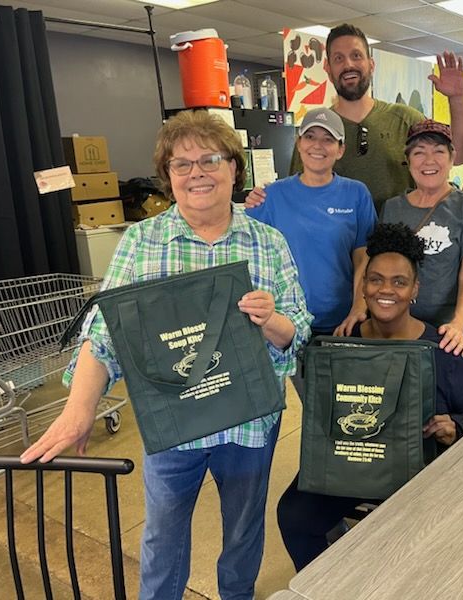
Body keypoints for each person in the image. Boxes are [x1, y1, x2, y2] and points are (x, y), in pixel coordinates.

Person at [20, 110, 312, 600]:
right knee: (162, 538)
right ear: (168, 175)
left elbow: (298, 331)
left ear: (233, 168)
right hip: (173, 425)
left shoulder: (268, 242)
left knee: (243, 531)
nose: (197, 173)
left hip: (248, 424)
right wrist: (79, 409)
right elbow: (105, 333)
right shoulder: (142, 241)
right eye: (182, 164)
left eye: (209, 160)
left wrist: (272, 321)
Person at [276, 222, 463, 571]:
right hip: (351, 465)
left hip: (416, 472)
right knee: (294, 515)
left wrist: (455, 425)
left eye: (399, 282)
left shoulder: (441, 348)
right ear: (363, 285)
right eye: (375, 279)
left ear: (415, 288)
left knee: (424, 541)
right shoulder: (342, 344)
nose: (385, 290)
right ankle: (327, 585)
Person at [248, 23, 463, 213]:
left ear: (371, 65)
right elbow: (296, 195)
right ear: (328, 68)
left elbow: (459, 155)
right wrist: (263, 198)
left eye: (356, 56)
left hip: (402, 245)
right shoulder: (317, 133)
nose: (348, 65)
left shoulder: (405, 120)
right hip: (338, 248)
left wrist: (457, 98)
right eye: (338, 58)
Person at [246, 106, 376, 352]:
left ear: (340, 150)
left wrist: (358, 309)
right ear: (298, 143)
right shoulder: (271, 196)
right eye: (310, 136)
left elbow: (364, 259)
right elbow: (248, 253)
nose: (318, 145)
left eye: (328, 139)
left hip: (342, 323)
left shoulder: (357, 194)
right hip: (287, 323)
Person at [381, 120, 463, 363]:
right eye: (419, 153)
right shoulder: (392, 208)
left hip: (452, 332)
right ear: (408, 160)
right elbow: (384, 270)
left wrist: (458, 324)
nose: (429, 160)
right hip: (403, 329)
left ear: (452, 157)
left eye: (438, 151)